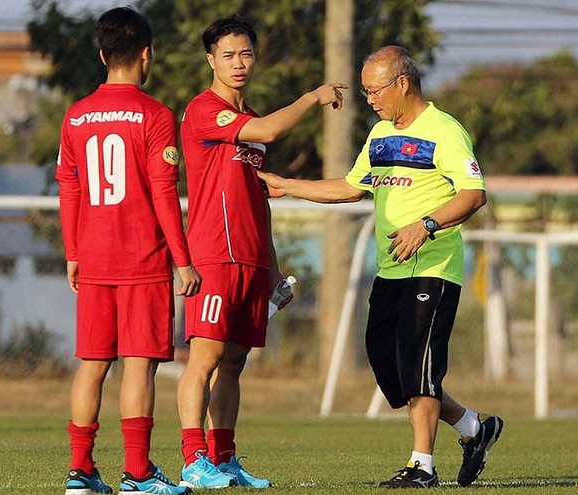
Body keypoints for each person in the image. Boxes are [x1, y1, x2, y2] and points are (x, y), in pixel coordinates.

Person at [257, 45, 503, 489]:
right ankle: (473, 428)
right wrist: (288, 186)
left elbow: (473, 193)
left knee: (418, 366)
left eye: (374, 90)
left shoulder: (445, 131)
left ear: (402, 83)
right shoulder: (380, 134)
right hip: (390, 271)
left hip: (434, 266)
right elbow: (352, 188)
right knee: (392, 367)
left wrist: (425, 226)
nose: (369, 99)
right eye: (366, 91)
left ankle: (422, 466)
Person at [176, 14, 346, 490]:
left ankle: (224, 458)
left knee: (233, 364)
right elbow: (271, 131)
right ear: (210, 59)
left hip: (250, 259)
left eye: (245, 53)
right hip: (214, 256)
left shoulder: (247, 121)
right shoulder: (204, 111)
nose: (238, 63)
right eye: (227, 55)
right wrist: (313, 96)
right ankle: (193, 459)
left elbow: (259, 202)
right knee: (204, 359)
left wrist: (272, 270)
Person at [56, 7, 200, 495]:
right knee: (139, 364)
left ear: (101, 55)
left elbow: (69, 189)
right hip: (142, 260)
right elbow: (164, 193)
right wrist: (183, 260)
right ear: (146, 53)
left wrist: (72, 251)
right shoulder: (155, 115)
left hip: (93, 258)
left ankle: (81, 471)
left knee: (92, 365)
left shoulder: (75, 115)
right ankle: (137, 473)